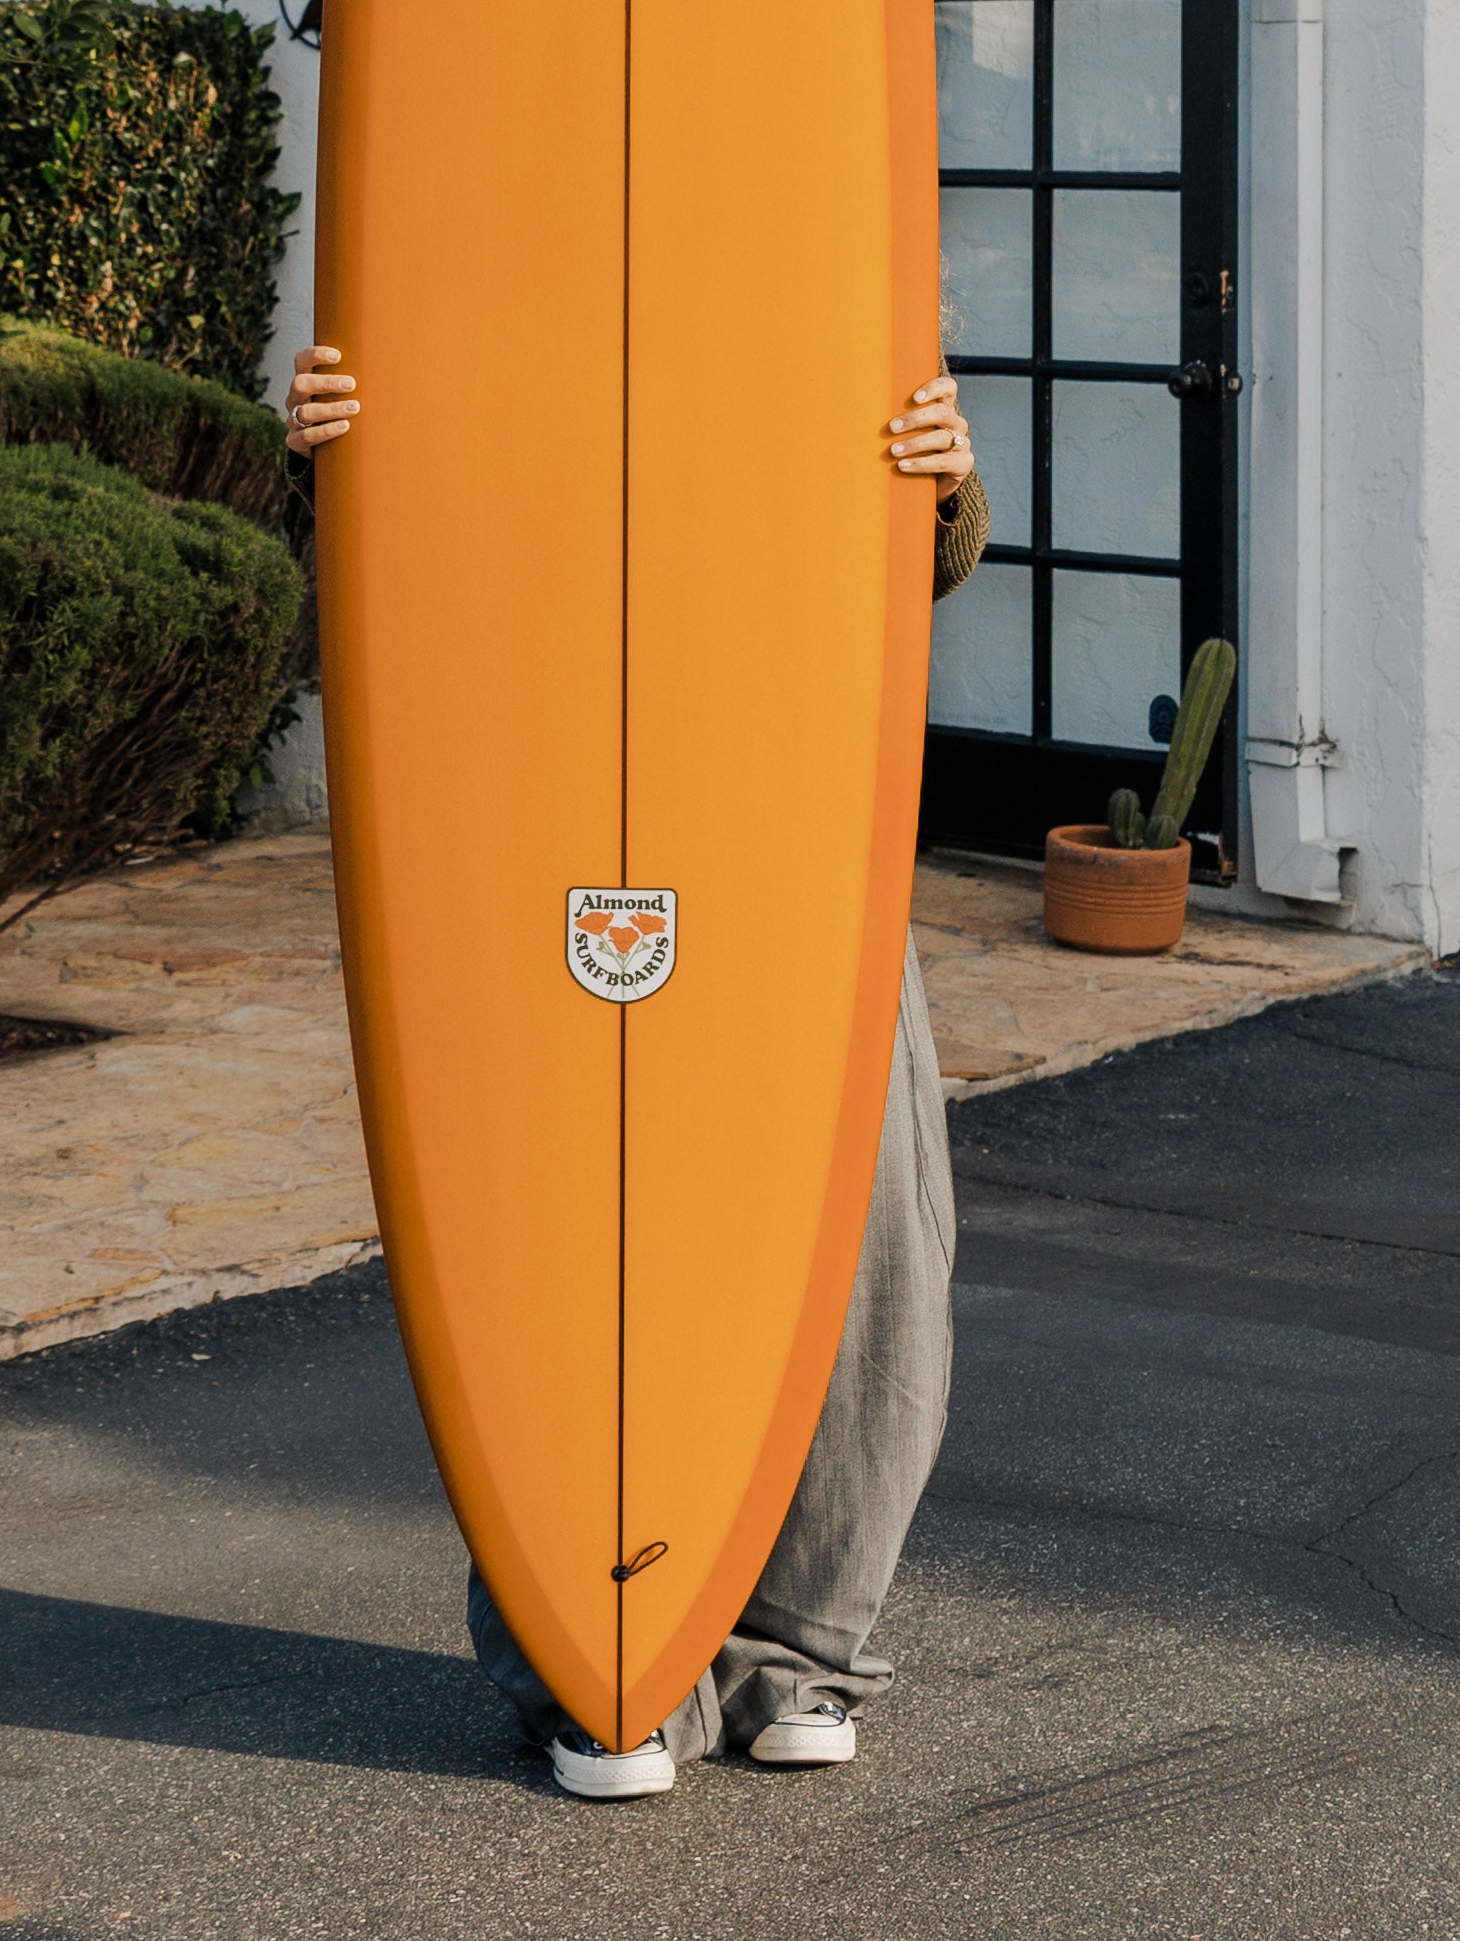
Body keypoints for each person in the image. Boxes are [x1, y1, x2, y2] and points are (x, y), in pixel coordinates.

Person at [286, 341, 983, 1801]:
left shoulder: (808, 252)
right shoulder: (515, 240)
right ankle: (593, 1661)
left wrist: (943, 477)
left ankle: (798, 1648)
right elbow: (415, 558)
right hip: (548, 800)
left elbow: (903, 568)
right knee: (563, 1207)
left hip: (791, 801)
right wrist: (334, 464)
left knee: (863, 1225)